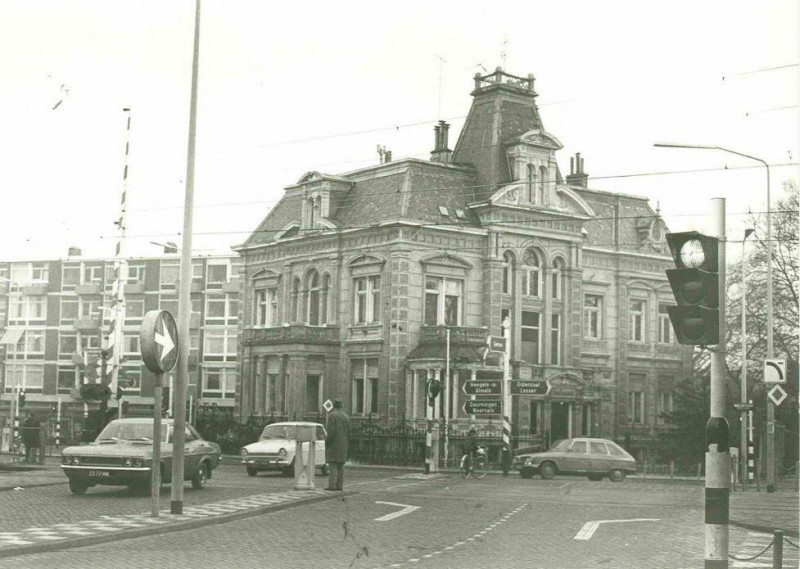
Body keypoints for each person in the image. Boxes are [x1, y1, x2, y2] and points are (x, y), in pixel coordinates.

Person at [325, 399, 350, 491]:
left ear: (334, 406)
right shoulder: (346, 417)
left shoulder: (332, 416)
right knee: (341, 467)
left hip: (334, 444)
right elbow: (349, 432)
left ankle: (331, 486)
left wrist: (327, 443)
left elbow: (331, 432)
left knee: (333, 466)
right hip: (344, 444)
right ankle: (340, 486)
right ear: (341, 406)